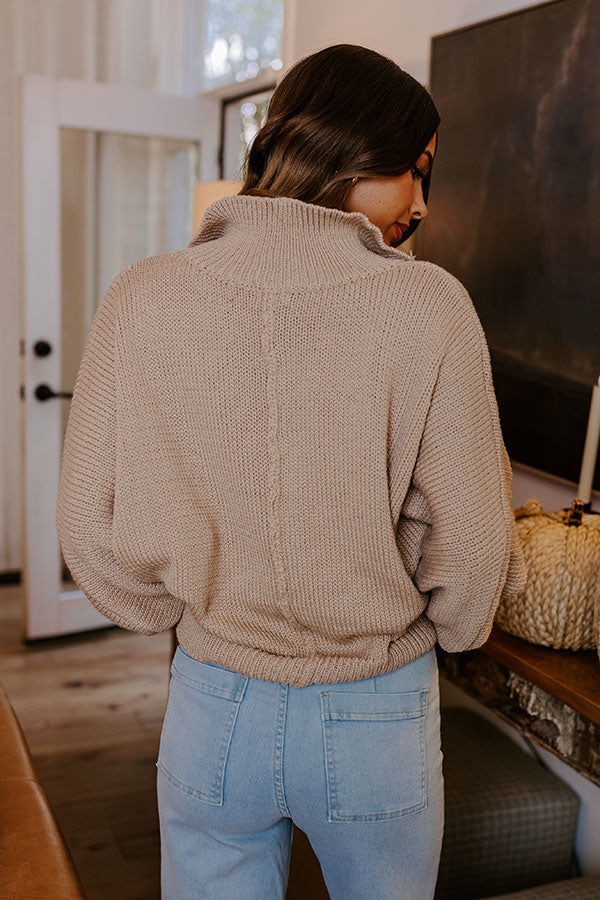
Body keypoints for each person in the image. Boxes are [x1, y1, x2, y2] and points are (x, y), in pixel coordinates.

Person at [56, 43, 527, 900]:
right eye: (414, 172)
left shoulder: (143, 293)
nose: (421, 203)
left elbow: (90, 524)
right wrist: (440, 624)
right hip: (376, 713)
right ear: (350, 151)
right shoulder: (430, 306)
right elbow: (472, 548)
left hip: (212, 704)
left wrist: (176, 604)